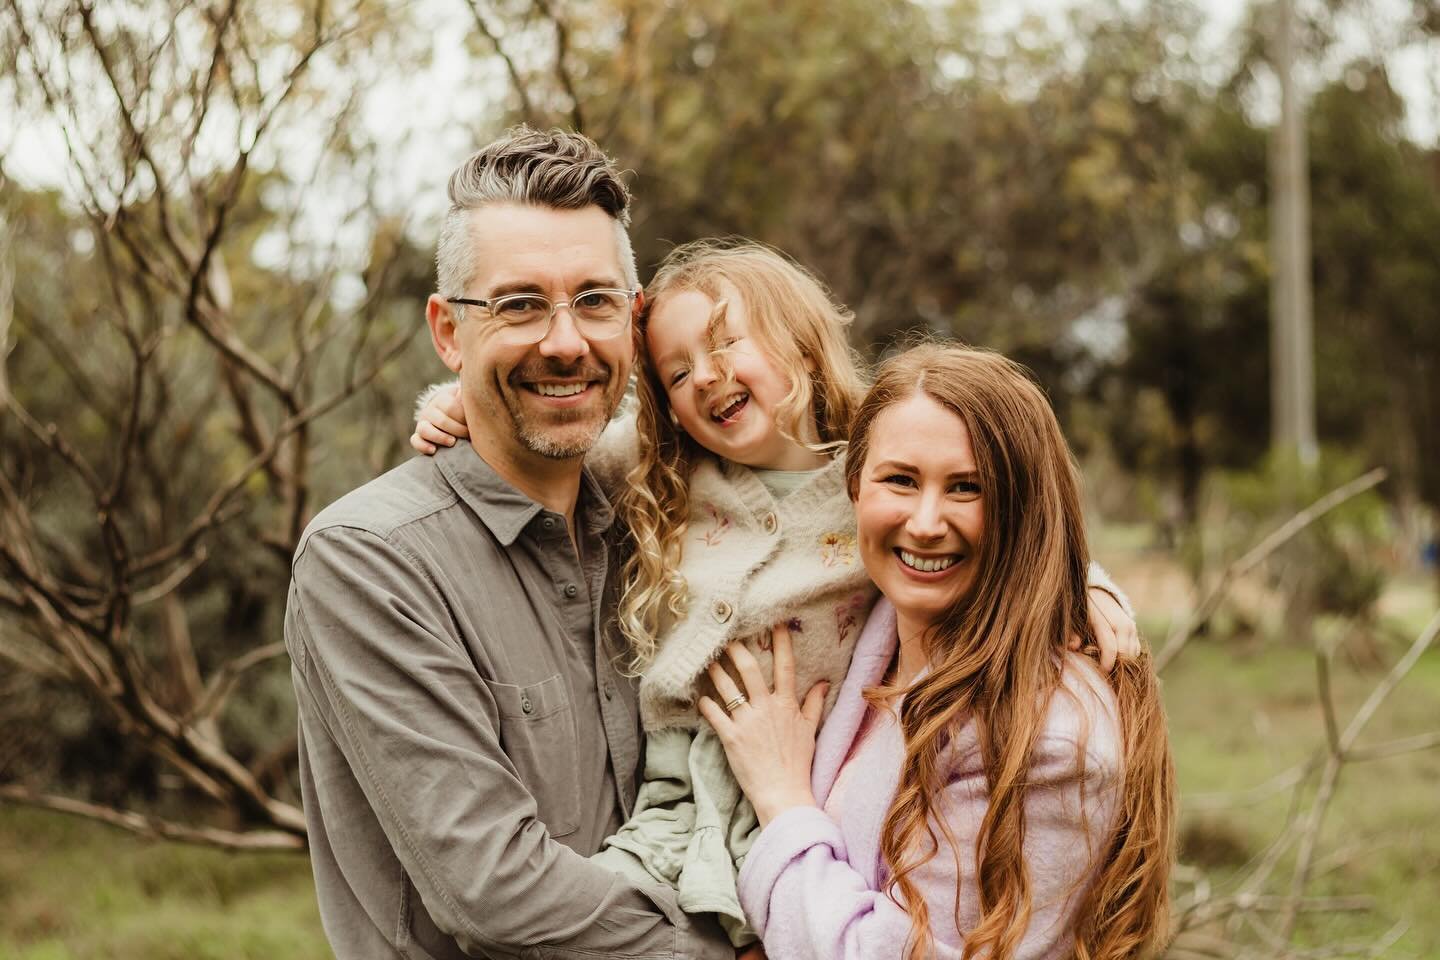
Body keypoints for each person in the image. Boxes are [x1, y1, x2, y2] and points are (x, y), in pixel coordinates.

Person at [410, 241, 1141, 948]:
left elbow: (1007, 529)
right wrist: (456, 403)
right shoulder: (662, 467)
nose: (703, 376)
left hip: (807, 774)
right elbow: (552, 431)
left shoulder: (877, 464)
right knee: (590, 926)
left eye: (725, 344)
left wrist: (1089, 586)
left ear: (798, 340)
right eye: (675, 372)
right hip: (680, 781)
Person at [285, 127, 736, 959]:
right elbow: (496, 892)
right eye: (520, 304)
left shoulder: (665, 517)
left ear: (633, 326)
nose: (565, 341)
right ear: (449, 332)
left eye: (595, 301)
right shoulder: (369, 560)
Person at [697, 344, 1177, 960]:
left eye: (966, 488)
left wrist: (782, 800)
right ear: (854, 488)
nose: (924, 522)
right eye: (899, 479)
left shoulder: (1047, 739)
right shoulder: (865, 619)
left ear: (1021, 509)